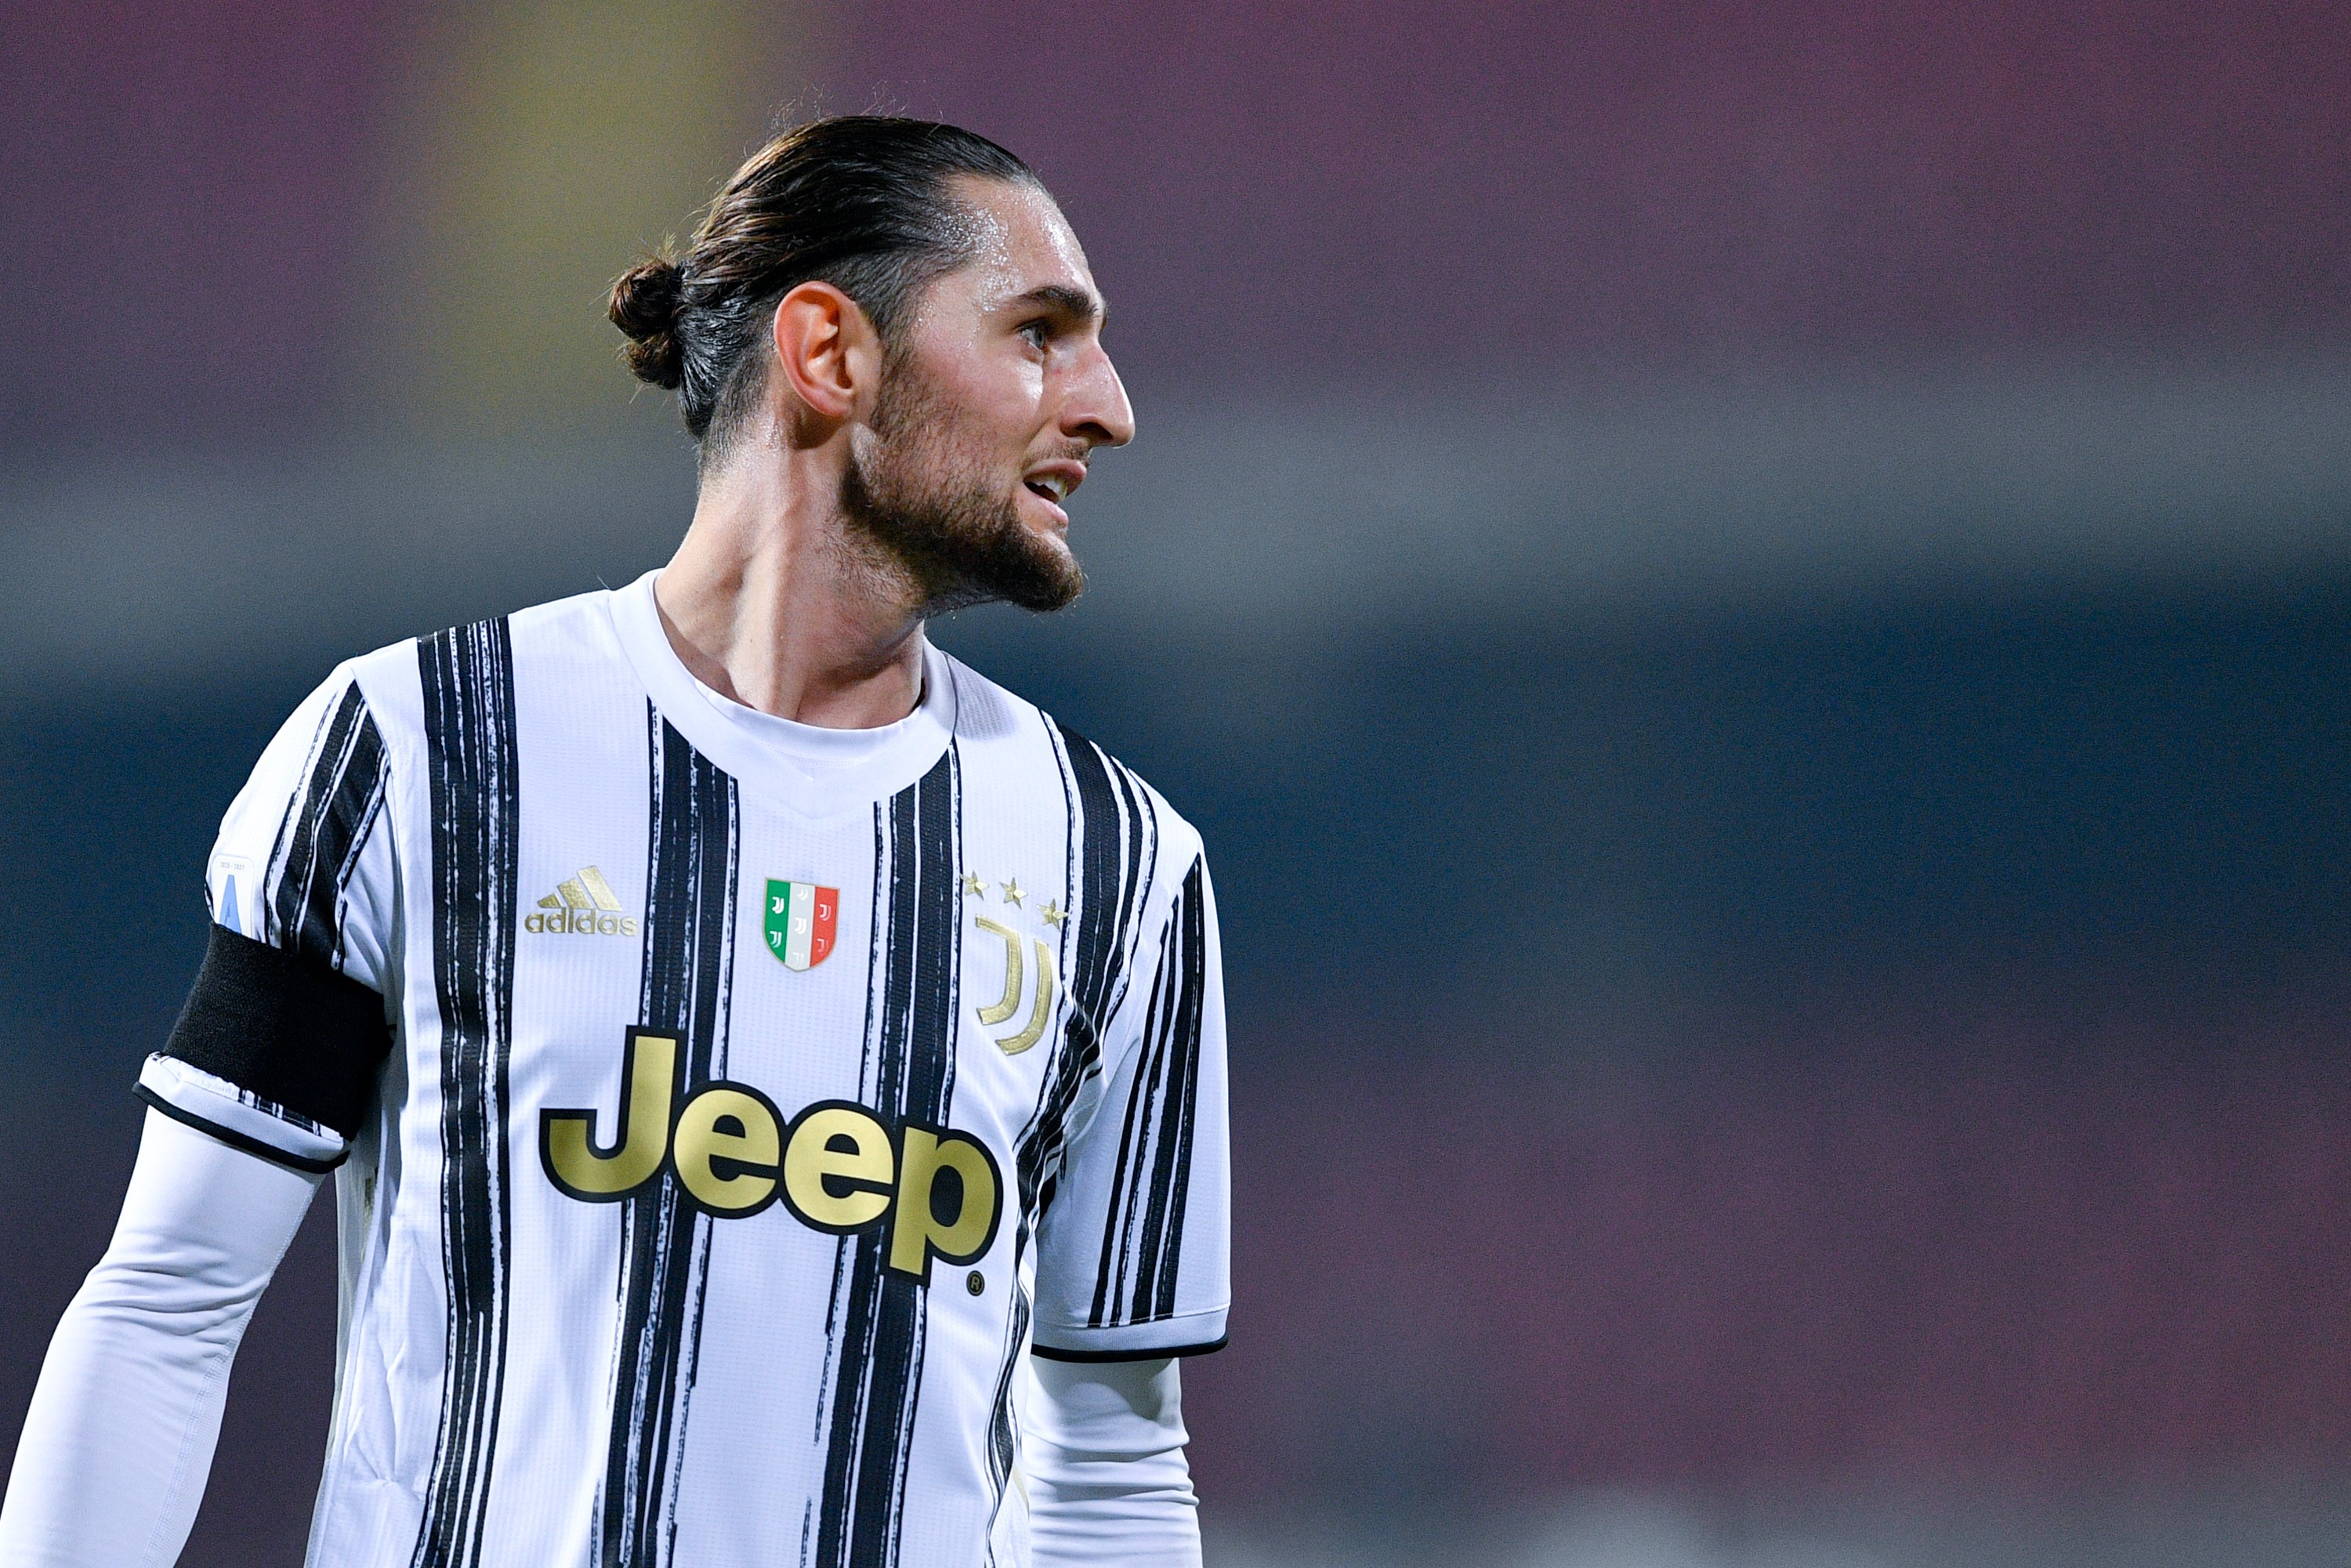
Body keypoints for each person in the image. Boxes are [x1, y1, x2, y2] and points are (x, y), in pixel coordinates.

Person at [0, 116, 1228, 1568]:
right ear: (831, 353)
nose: (1108, 405)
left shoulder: (1120, 867)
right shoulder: (420, 750)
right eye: (1039, 333)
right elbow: (169, 1302)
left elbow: (1112, 1462)